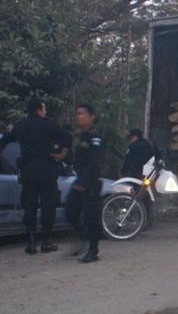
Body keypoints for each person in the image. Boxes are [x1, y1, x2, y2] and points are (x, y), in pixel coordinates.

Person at [0, 97, 71, 254]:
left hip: (28, 172)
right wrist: (61, 156)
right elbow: (68, 137)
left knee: (29, 207)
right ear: (39, 110)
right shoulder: (49, 124)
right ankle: (46, 241)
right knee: (48, 206)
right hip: (47, 171)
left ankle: (31, 243)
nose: (45, 111)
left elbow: (5, 140)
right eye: (44, 109)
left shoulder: (21, 126)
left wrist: (9, 131)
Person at [65, 104, 104, 263]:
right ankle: (84, 238)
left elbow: (95, 163)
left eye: (81, 113)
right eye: (77, 113)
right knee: (70, 211)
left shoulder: (96, 136)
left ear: (91, 116)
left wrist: (84, 182)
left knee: (91, 217)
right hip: (80, 180)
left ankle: (93, 251)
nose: (78, 116)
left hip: (90, 182)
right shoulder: (83, 136)